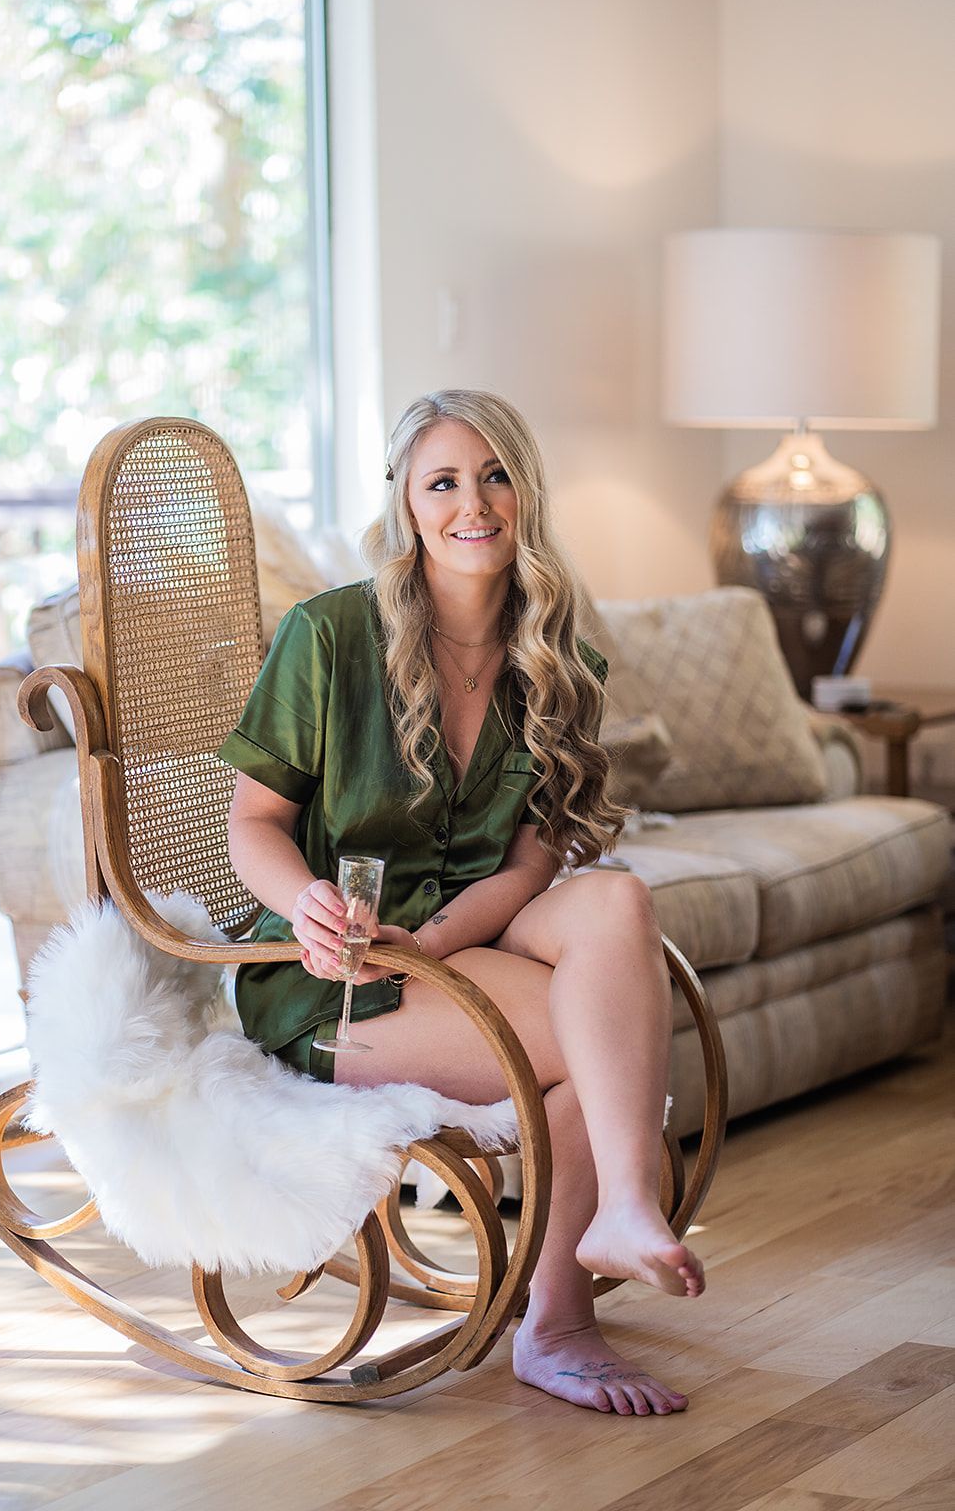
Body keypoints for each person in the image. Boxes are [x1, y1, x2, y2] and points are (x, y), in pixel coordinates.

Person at [219, 389, 704, 1416]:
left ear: (524, 492)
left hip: (453, 926)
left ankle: (619, 1207)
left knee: (614, 902)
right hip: (333, 972)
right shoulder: (327, 634)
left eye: (493, 476)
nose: (470, 503)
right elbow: (251, 822)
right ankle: (561, 1319)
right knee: (595, 1050)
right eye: (442, 480)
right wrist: (310, 901)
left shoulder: (556, 656)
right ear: (405, 501)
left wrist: (432, 939)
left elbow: (528, 867)